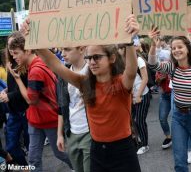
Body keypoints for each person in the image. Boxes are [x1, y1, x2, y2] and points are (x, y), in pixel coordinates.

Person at [22, 15, 141, 172]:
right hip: (97, 151)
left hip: (123, 151)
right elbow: (54, 64)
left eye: (97, 57)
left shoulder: (121, 83)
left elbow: (131, 72)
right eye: (89, 57)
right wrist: (35, 41)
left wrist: (130, 42)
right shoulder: (84, 83)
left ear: (112, 58)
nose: (91, 62)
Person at [148, 28, 191, 172]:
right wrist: (153, 45)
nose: (176, 50)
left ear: (188, 49)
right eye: (173, 48)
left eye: (180, 47)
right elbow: (153, 65)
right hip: (178, 117)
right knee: (180, 161)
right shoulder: (172, 67)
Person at [7, 32, 73, 172]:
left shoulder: (36, 69)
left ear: (28, 50)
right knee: (33, 158)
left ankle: (81, 167)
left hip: (48, 120)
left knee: (60, 153)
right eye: (12, 54)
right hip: (37, 120)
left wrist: (17, 79)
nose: (14, 57)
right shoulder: (39, 62)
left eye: (16, 53)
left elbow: (31, 100)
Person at [56, 47, 91, 172]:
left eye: (67, 49)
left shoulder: (92, 70)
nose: (63, 54)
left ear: (81, 49)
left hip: (90, 132)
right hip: (71, 132)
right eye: (61, 50)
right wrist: (60, 135)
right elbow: (61, 106)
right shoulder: (63, 76)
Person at [0, 32, 29, 166]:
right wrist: (7, 91)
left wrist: (9, 95)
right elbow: (13, 85)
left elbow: (27, 90)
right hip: (14, 111)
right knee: (11, 146)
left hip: (26, 110)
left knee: (32, 146)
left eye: (14, 48)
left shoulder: (25, 62)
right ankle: (26, 167)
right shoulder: (11, 61)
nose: (11, 51)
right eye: (9, 46)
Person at [118, 43, 151, 155]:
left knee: (139, 120)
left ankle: (145, 145)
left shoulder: (138, 60)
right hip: (130, 97)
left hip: (142, 95)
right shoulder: (121, 63)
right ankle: (138, 141)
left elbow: (145, 78)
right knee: (132, 121)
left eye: (120, 48)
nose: (119, 50)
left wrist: (138, 95)